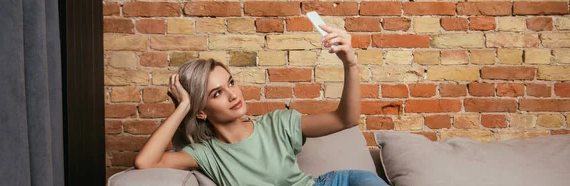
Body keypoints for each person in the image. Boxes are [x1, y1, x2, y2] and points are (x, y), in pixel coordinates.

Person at [134, 25, 388, 186]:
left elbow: (346, 120)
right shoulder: (205, 154)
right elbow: (145, 163)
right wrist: (183, 106)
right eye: (218, 93)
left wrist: (350, 64)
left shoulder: (277, 123)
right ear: (201, 111)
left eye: (231, 83)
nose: (234, 95)